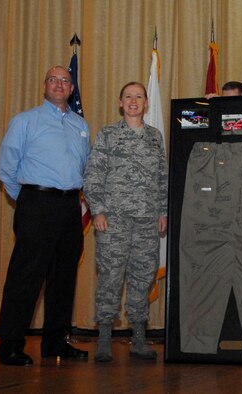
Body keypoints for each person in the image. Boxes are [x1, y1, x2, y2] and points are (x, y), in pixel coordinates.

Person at [0, 65, 90, 366]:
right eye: (53, 79)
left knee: (64, 278)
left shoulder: (80, 126)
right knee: (25, 277)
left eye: (65, 80)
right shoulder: (25, 121)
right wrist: (27, 199)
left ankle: (55, 343)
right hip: (37, 203)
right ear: (44, 86)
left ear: (72, 89)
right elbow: (5, 167)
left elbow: (85, 169)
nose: (60, 84)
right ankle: (10, 344)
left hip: (70, 206)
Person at [83, 82, 168, 362]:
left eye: (139, 97)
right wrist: (98, 210)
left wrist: (162, 211)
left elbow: (162, 179)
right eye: (128, 96)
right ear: (120, 103)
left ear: (145, 103)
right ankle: (105, 337)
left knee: (142, 278)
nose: (134, 101)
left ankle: (139, 338)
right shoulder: (107, 134)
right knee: (110, 276)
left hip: (147, 220)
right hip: (114, 220)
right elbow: (93, 174)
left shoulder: (155, 137)